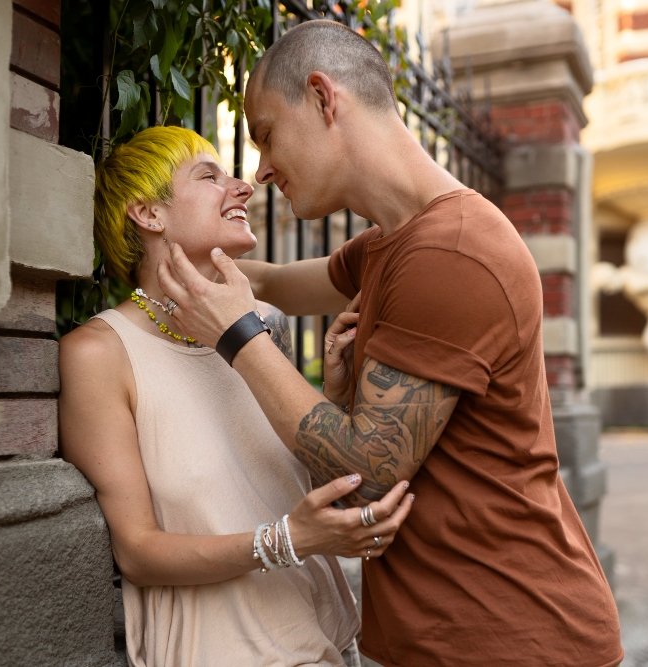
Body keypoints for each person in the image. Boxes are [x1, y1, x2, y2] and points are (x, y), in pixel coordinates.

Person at [154, 20, 624, 667]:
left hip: (514, 636)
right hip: (449, 638)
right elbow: (276, 283)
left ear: (323, 98)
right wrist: (175, 261)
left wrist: (240, 335)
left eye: (265, 134)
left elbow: (364, 481)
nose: (260, 170)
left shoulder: (452, 250)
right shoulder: (389, 246)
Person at [58, 125, 414, 667]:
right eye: (210, 176)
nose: (244, 187)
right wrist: (287, 540)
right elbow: (138, 552)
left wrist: (336, 401)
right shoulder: (99, 354)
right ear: (149, 214)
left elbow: (290, 491)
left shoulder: (257, 330)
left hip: (327, 643)